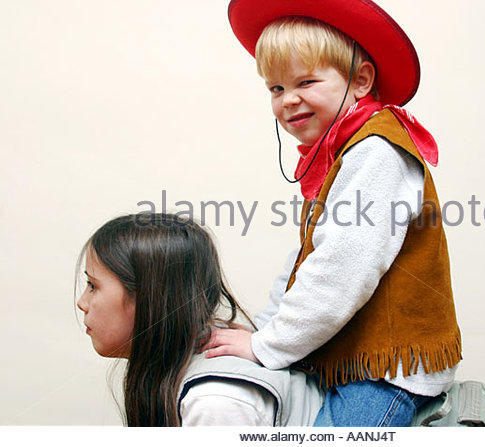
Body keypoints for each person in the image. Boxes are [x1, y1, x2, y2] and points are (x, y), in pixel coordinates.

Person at [203, 0, 463, 427]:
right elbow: (308, 259)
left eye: (305, 81)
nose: (288, 100)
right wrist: (265, 331)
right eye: (276, 88)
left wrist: (268, 346)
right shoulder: (339, 152)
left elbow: (341, 270)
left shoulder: (376, 153)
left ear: (360, 81)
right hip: (350, 355)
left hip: (387, 372)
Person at [76, 213, 323, 426]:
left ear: (150, 298)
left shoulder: (215, 402)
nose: (82, 303)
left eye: (92, 285)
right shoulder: (188, 373)